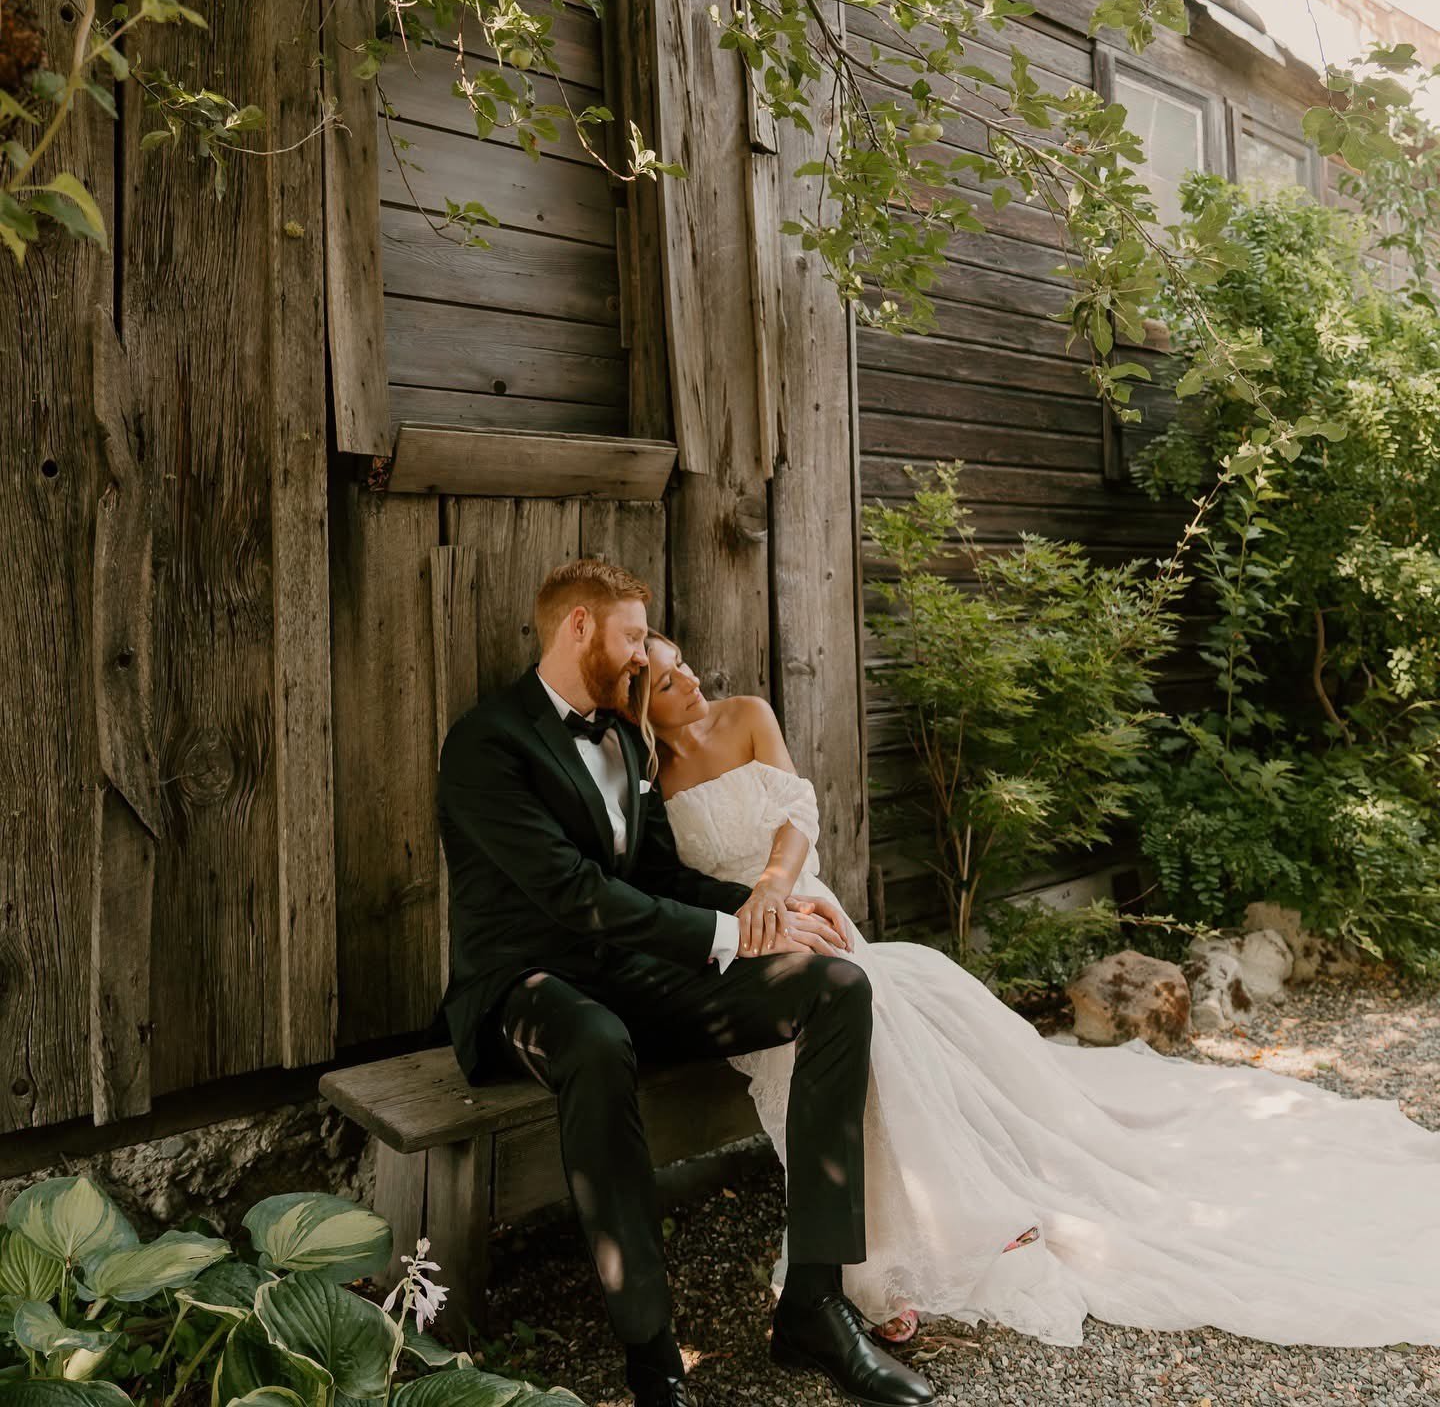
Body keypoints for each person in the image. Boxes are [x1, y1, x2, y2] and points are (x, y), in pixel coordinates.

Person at [633, 629, 1440, 1353]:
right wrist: (747, 914)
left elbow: (797, 812)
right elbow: (666, 882)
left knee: (886, 1035)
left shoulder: (746, 716)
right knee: (799, 1059)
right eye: (669, 683)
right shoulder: (649, 778)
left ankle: (905, 1243)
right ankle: (862, 1259)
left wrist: (778, 882)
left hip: (804, 902)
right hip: (742, 935)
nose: (692, 684)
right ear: (644, 711)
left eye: (687, 665)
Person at [437, 559, 934, 1407]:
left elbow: (660, 876)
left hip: (636, 973)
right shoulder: (489, 742)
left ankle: (814, 1305)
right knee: (596, 1041)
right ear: (580, 628)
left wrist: (767, 915)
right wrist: (730, 933)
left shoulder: (627, 738)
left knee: (836, 986)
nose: (642, 656)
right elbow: (574, 897)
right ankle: (652, 1353)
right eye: (633, 636)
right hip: (530, 984)